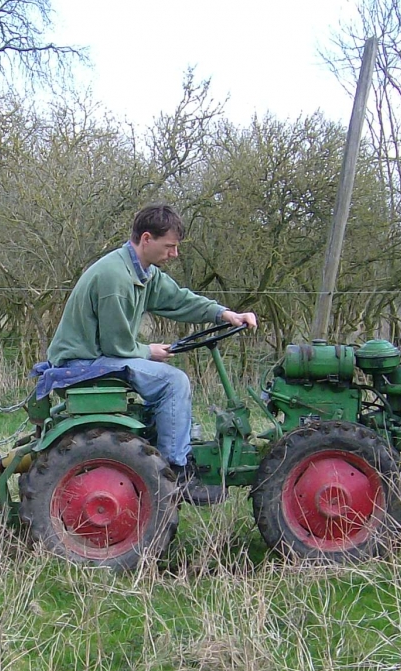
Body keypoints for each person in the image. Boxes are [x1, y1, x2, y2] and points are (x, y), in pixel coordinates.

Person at [40, 204, 258, 505]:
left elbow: (179, 299)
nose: (174, 254)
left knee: (168, 385)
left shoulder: (143, 273)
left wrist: (223, 314)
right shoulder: (115, 278)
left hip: (97, 356)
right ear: (146, 239)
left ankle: (165, 446)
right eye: (169, 246)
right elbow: (116, 345)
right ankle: (176, 472)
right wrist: (147, 351)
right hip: (83, 361)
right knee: (173, 382)